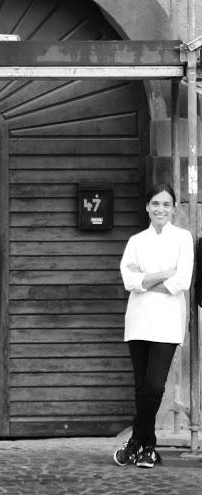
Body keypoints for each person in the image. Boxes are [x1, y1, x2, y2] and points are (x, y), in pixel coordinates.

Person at [114, 183, 194, 468]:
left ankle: (136, 440)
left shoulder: (183, 239)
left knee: (154, 385)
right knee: (140, 386)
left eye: (166, 204)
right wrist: (161, 275)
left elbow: (181, 282)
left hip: (167, 322)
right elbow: (129, 281)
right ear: (147, 207)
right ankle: (148, 449)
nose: (161, 209)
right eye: (155, 204)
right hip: (138, 320)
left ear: (174, 208)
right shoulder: (136, 241)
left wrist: (145, 281)